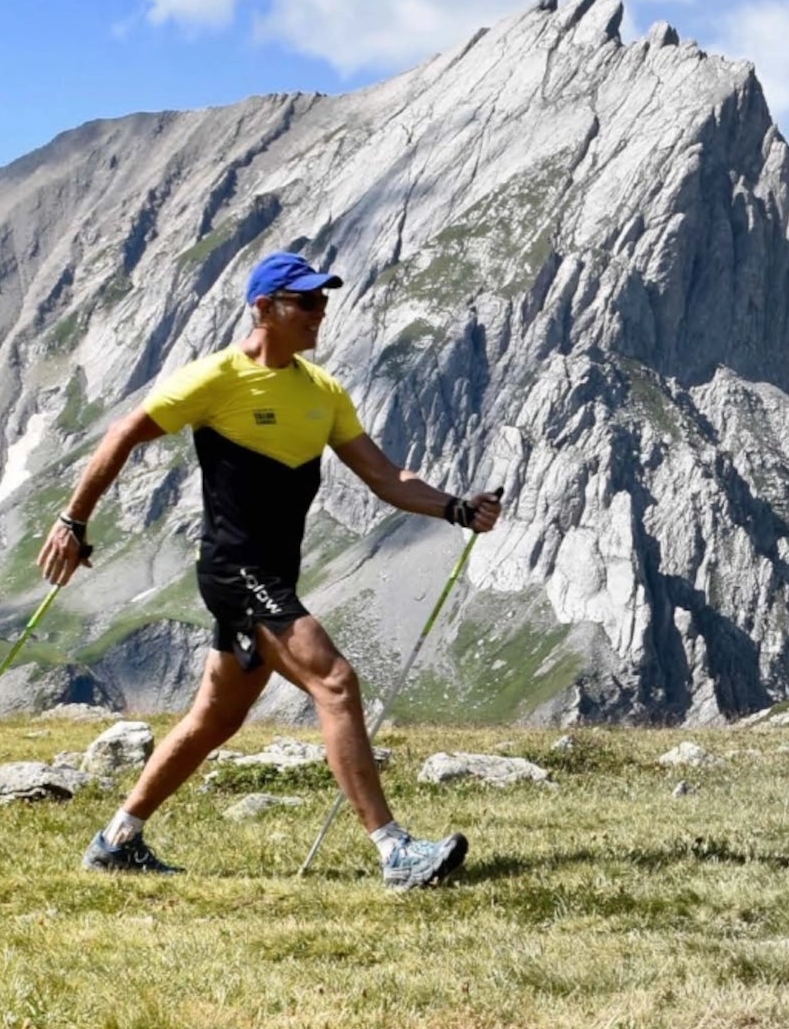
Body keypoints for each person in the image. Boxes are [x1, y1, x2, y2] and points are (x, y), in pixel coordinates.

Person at [35, 250, 502, 889]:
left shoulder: (322, 390)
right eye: (306, 301)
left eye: (322, 300)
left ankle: (118, 839)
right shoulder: (216, 377)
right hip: (235, 568)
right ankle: (395, 852)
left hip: (274, 571)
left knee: (216, 719)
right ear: (264, 309)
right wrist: (73, 521)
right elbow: (122, 433)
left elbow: (384, 475)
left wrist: (453, 507)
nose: (321, 311)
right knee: (335, 681)